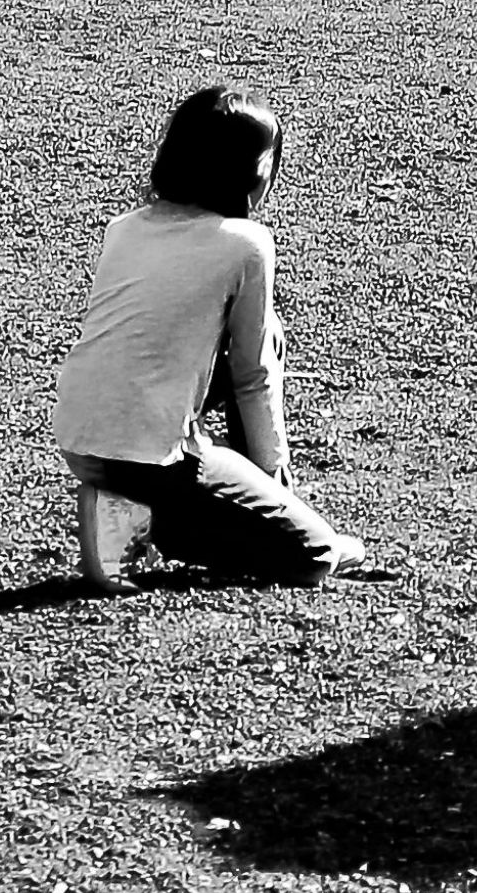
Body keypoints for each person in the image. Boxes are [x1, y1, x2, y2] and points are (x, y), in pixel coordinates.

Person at [53, 85, 366, 589]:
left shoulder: (125, 227)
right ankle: (144, 515)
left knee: (253, 337)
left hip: (79, 433)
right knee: (313, 556)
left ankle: (128, 501)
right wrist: (276, 484)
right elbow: (254, 374)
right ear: (255, 174)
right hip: (149, 454)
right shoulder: (247, 244)